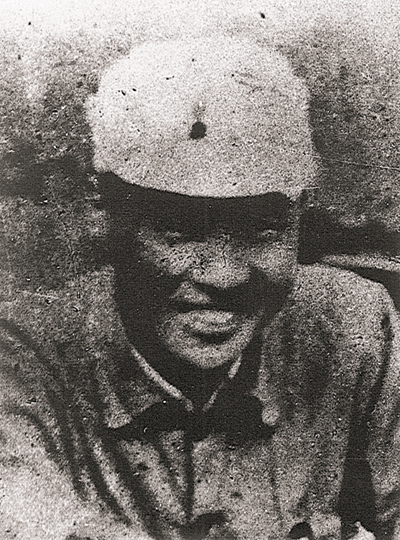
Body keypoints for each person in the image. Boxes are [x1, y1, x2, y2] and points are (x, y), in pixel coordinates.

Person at [0, 30, 399, 540]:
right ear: (108, 217)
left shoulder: (353, 330)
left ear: (300, 217)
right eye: (180, 231)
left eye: (264, 230)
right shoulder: (22, 364)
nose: (224, 276)